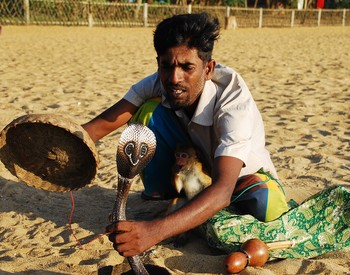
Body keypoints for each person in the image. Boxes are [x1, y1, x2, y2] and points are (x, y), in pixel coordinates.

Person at [82, 12, 289, 257]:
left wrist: (154, 232)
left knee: (267, 210)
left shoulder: (234, 104)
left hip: (239, 180)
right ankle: (172, 198)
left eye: (187, 67)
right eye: (166, 66)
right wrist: (59, 145)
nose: (174, 78)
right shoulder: (164, 79)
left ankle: (186, 214)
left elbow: (223, 190)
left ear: (208, 68)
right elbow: (97, 128)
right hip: (200, 174)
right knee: (147, 111)